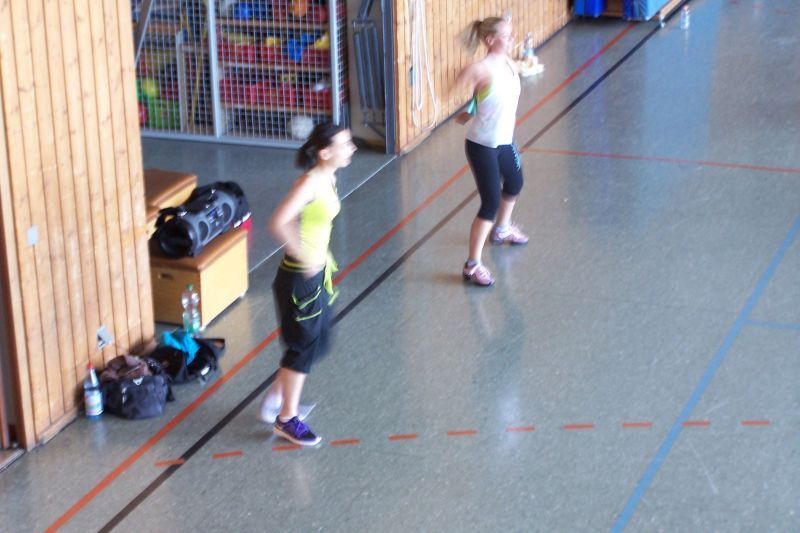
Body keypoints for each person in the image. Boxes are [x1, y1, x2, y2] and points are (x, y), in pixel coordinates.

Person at [259, 122, 356, 446]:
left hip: (317, 276)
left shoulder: (330, 177)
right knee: (302, 348)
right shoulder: (311, 183)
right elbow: (278, 221)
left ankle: (276, 397)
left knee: (319, 342)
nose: (352, 148)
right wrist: (303, 256)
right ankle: (286, 419)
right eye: (345, 144)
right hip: (300, 279)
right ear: (325, 152)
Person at [452, 16, 529, 287]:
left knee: (515, 183)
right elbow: (456, 89)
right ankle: (472, 266)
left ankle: (502, 229)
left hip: (505, 141)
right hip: (482, 146)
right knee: (490, 203)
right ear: (490, 40)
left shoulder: (509, 63)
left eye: (511, 34)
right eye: (506, 35)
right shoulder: (480, 68)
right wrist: (462, 107)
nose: (512, 38)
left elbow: (487, 95)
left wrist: (472, 108)